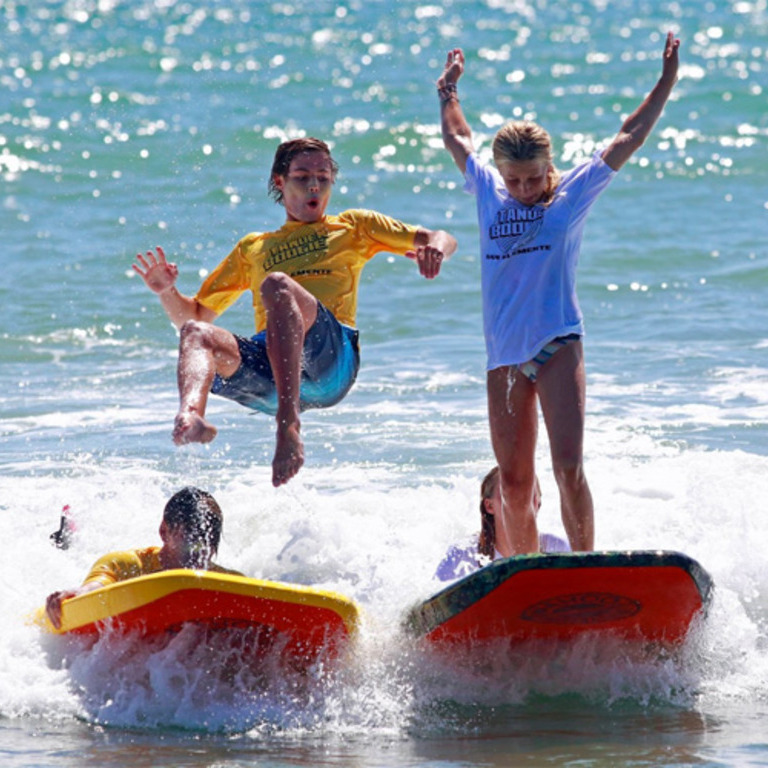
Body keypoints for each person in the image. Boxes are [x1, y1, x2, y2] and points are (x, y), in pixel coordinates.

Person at [436, 33, 681, 555]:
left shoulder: (571, 193)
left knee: (568, 468)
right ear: (502, 174)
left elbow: (626, 137)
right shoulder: (488, 192)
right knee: (515, 482)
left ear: (549, 167)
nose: (525, 190)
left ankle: (585, 564)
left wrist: (665, 82)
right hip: (503, 355)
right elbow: (459, 141)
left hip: (557, 342)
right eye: (515, 180)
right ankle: (525, 575)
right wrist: (448, 93)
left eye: (533, 178)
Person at [133, 137, 457, 487]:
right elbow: (192, 314)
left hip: (331, 362)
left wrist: (436, 249)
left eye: (323, 176)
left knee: (278, 285)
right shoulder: (253, 248)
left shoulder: (354, 227)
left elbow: (438, 236)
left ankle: (288, 426)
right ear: (279, 182)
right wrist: (166, 292)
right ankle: (190, 418)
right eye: (302, 177)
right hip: (273, 373)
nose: (314, 185)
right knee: (196, 334)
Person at [45, 487, 241, 629]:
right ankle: (69, 535)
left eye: (206, 544)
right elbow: (98, 585)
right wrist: (80, 592)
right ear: (164, 531)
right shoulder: (127, 565)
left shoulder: (228, 581)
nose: (197, 555)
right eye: (188, 543)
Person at [435, 466, 570, 582]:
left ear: (538, 503)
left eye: (530, 493)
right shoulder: (463, 555)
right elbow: (428, 608)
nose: (522, 500)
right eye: (510, 493)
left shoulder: (558, 549)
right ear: (489, 506)